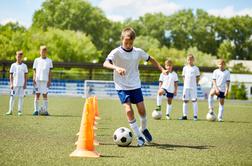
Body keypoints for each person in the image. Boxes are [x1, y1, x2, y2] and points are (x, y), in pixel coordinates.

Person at [103, 27, 167, 146]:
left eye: (130, 43)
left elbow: (151, 59)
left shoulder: (138, 52)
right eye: (126, 42)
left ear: (134, 41)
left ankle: (143, 128)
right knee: (128, 110)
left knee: (142, 110)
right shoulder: (116, 52)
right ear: (122, 40)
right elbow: (105, 63)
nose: (128, 45)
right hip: (121, 86)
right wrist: (116, 68)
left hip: (135, 85)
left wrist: (162, 69)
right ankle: (139, 136)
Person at [6, 51, 28, 116]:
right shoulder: (13, 65)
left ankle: (19, 111)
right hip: (14, 85)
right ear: (16, 57)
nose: (19, 58)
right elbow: (11, 75)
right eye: (18, 56)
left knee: (21, 98)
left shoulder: (24, 66)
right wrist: (11, 84)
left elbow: (26, 76)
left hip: (22, 85)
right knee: (12, 97)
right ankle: (10, 110)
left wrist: (25, 84)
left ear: (22, 57)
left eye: (20, 57)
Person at [32, 46, 53, 116]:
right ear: (40, 52)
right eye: (42, 51)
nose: (43, 52)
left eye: (44, 51)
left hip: (45, 80)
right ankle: (36, 110)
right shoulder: (36, 60)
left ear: (46, 52)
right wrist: (34, 78)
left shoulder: (49, 60)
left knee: (45, 95)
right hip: (38, 80)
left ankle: (45, 110)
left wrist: (49, 81)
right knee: (37, 95)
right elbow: (34, 70)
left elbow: (50, 72)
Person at [179, 54, 200, 121]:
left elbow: (197, 77)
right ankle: (185, 116)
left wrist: (195, 84)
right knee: (185, 101)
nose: (190, 60)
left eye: (191, 59)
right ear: (187, 60)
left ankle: (195, 116)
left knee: (194, 100)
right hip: (186, 87)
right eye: (188, 59)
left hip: (193, 87)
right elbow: (183, 76)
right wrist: (185, 83)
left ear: (193, 60)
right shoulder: (185, 68)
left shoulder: (196, 68)